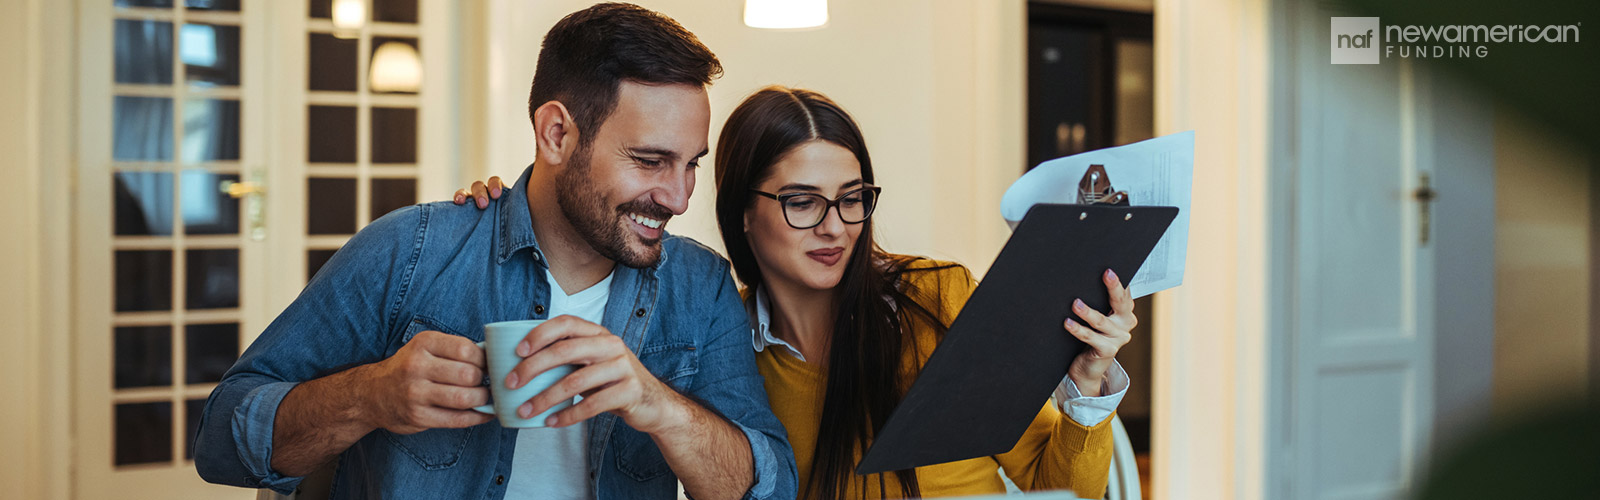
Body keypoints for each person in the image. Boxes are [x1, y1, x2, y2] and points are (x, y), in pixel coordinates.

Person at [194, 4, 797, 499]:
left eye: (691, 165)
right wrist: (371, 395)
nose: (679, 196)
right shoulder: (412, 252)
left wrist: (656, 403)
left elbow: (770, 485)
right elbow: (223, 438)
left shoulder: (700, 287)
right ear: (556, 134)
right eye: (649, 161)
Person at [460, 86, 1134, 498]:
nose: (835, 227)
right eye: (802, 202)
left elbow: (1057, 484)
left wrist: (1086, 388)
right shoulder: (716, 343)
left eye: (852, 200)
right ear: (742, 212)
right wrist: (516, 206)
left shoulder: (938, 298)